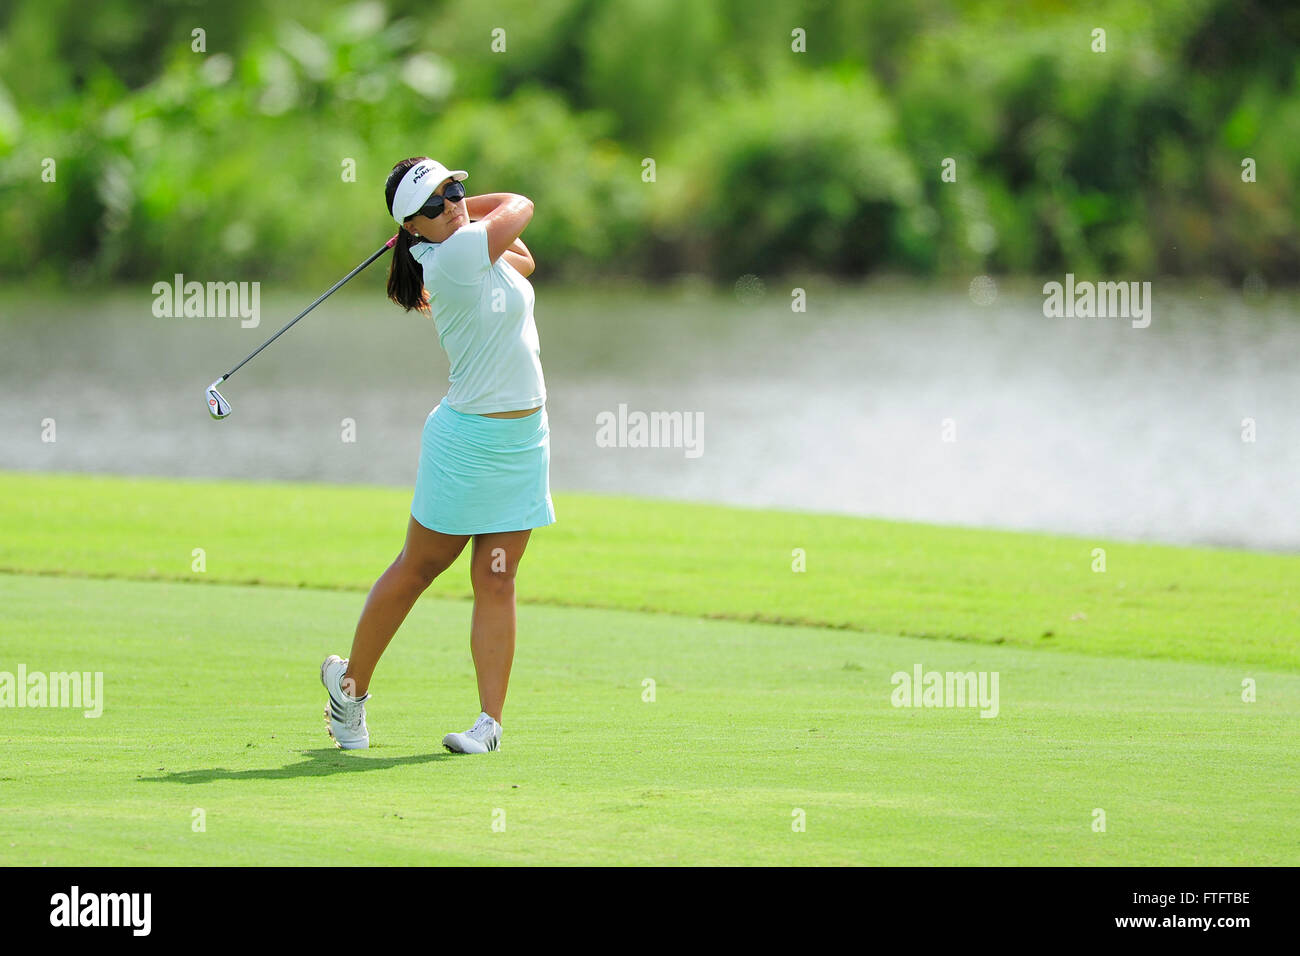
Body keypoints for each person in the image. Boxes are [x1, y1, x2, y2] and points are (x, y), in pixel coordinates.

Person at [320, 156, 553, 754]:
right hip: (467, 444)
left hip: (523, 439)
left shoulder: (466, 246)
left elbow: (524, 255)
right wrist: (457, 219)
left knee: (496, 581)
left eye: (454, 191)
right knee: (418, 570)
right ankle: (350, 691)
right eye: (433, 204)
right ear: (412, 230)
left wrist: (444, 213)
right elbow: (521, 204)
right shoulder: (449, 258)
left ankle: (489, 724)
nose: (451, 204)